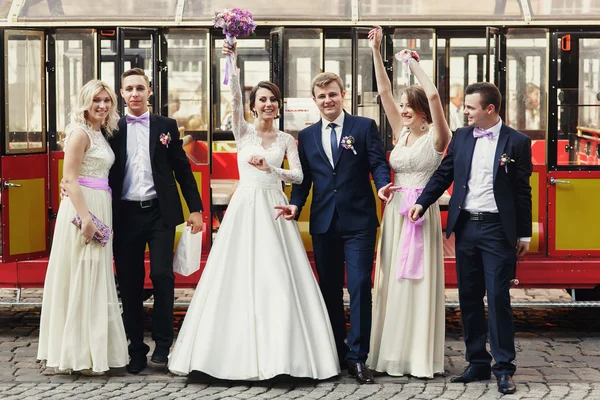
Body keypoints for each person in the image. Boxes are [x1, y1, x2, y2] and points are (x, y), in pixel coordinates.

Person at [167, 42, 339, 381]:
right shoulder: (242, 132)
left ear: (278, 106)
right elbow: (232, 97)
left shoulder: (288, 139)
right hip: (245, 208)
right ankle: (220, 357)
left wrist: (271, 171)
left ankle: (285, 358)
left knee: (276, 277)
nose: (268, 104)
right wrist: (232, 61)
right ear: (254, 105)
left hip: (273, 206)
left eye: (273, 99)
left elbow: (300, 176)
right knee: (234, 275)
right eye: (262, 99)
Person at [408, 82, 532, 395]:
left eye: (470, 107)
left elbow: (522, 190)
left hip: (497, 231)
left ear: (490, 109)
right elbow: (443, 174)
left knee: (499, 298)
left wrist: (525, 232)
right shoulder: (462, 137)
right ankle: (477, 363)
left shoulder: (517, 142)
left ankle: (504, 368)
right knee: (469, 298)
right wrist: (422, 202)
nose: (465, 111)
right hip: (466, 229)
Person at [276, 72, 393, 384]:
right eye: (322, 96)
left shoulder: (364, 127)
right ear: (314, 101)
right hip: (324, 223)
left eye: (333, 94)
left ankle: (357, 357)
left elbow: (378, 163)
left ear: (343, 95)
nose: (328, 100)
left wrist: (383, 186)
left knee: (358, 287)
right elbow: (303, 182)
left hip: (360, 222)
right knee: (328, 291)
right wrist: (295, 205)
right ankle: (335, 351)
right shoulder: (307, 136)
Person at [366, 26, 451, 379]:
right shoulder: (400, 133)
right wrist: (376, 50)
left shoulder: (437, 136)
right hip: (396, 212)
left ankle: (418, 357)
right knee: (392, 282)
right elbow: (383, 91)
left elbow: (434, 98)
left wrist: (413, 64)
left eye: (407, 106)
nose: (401, 109)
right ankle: (392, 354)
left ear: (420, 110)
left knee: (418, 282)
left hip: (422, 213)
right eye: (401, 106)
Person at [109, 68, 203, 374]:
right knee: (129, 282)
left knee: (163, 276)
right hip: (124, 215)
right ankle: (136, 347)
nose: (135, 94)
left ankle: (163, 344)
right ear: (121, 95)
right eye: (129, 89)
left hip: (160, 213)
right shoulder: (112, 128)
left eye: (140, 88)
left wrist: (196, 208)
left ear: (150, 92)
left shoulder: (166, 126)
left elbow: (182, 170)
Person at [38, 80, 128, 375]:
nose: (102, 105)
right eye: (96, 100)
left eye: (106, 100)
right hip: (83, 209)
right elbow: (69, 179)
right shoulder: (78, 133)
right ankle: (78, 355)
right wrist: (86, 220)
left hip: (100, 203)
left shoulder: (101, 132)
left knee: (95, 276)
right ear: (85, 102)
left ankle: (91, 352)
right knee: (81, 275)